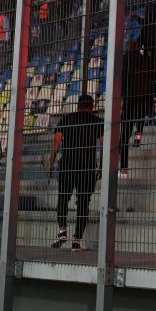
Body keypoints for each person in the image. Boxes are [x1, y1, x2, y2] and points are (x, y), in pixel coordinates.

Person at [49, 94, 103, 251]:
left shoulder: (66, 119)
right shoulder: (97, 121)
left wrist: (51, 164)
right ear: (92, 106)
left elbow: (56, 143)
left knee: (63, 198)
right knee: (83, 203)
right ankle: (76, 241)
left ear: (78, 105)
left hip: (67, 165)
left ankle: (62, 231)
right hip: (86, 167)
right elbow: (103, 146)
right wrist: (100, 167)